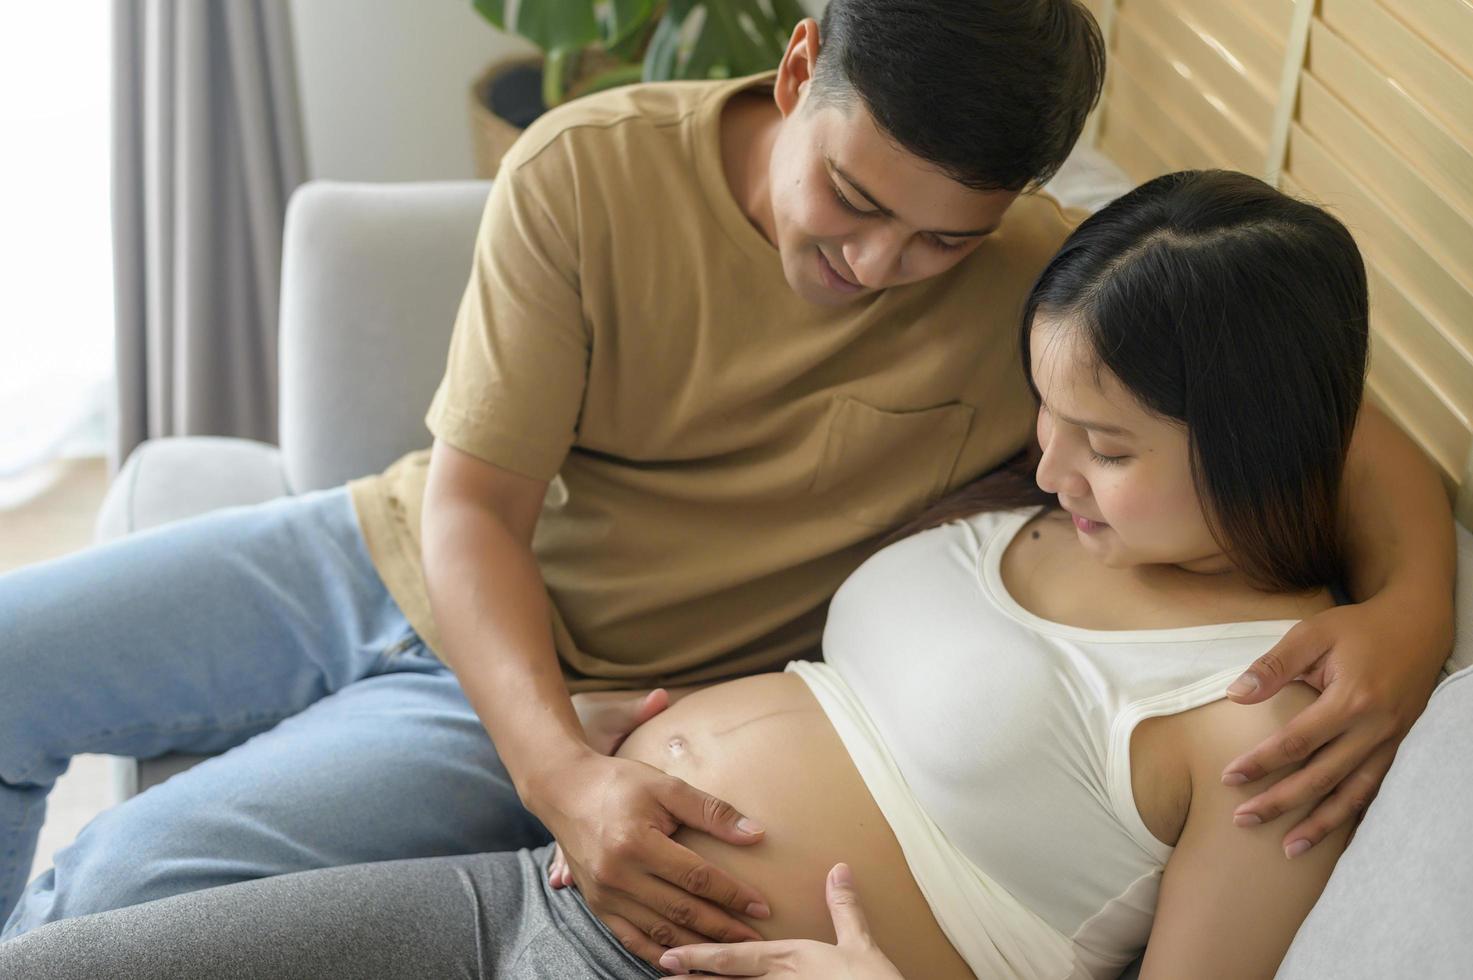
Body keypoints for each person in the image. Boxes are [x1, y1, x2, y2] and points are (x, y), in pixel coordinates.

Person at [0, 0, 1453, 966]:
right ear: (802, 64)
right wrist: (553, 774)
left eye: (941, 240)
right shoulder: (589, 171)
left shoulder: (1046, 298)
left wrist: (1408, 615)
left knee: (127, 890)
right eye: (857, 203)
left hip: (616, 683)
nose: (878, 266)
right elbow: (470, 509)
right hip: (400, 555)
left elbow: (1314, 424)